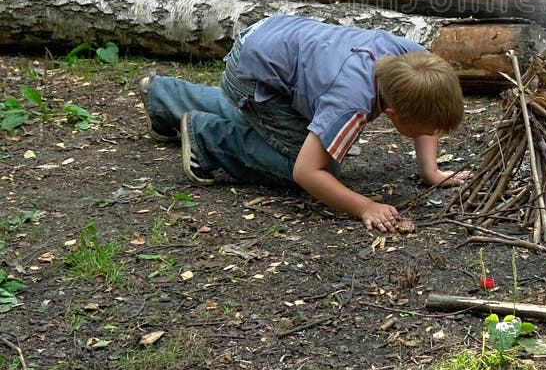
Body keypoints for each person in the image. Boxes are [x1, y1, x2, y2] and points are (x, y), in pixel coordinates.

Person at [139, 15, 468, 233]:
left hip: (272, 38)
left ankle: (165, 96)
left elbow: (424, 111)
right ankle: (207, 139)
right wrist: (364, 206)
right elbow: (306, 172)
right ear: (393, 114)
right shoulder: (349, 105)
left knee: (289, 135)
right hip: (253, 75)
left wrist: (431, 172)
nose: (432, 135)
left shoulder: (416, 62)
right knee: (317, 169)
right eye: (428, 131)